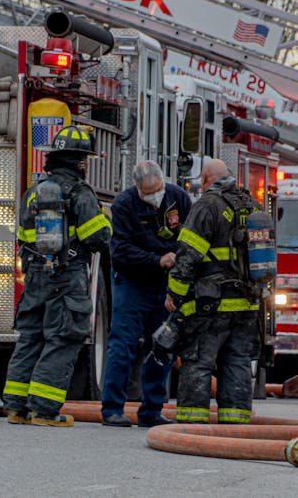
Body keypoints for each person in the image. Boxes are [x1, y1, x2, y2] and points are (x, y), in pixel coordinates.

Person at [3, 125, 112, 427]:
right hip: (67, 276)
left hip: (34, 277)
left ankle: (16, 406)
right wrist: (107, 223)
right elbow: (98, 238)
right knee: (63, 338)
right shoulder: (80, 192)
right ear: (79, 162)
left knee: (31, 338)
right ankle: (45, 409)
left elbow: (24, 236)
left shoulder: (32, 193)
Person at [165, 159, 263, 425]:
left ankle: (192, 425)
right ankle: (235, 424)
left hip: (210, 305)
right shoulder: (253, 207)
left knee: (198, 362)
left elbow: (188, 256)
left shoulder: (207, 206)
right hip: (246, 305)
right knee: (238, 363)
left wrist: (174, 293)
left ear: (206, 178)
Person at [101, 161, 191, 427]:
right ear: (138, 189)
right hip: (133, 282)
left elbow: (189, 238)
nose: (155, 197)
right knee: (123, 343)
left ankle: (151, 409)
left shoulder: (178, 199)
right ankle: (112, 408)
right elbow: (120, 251)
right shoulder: (124, 205)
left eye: (158, 190)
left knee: (162, 345)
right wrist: (156, 260)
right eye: (148, 193)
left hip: (165, 285)